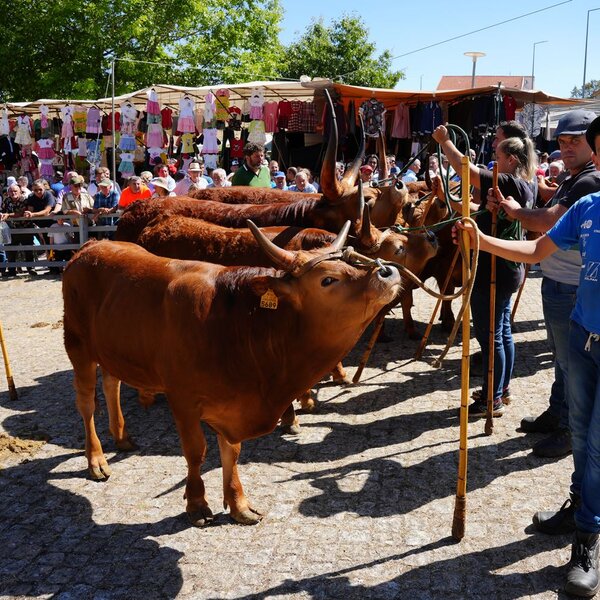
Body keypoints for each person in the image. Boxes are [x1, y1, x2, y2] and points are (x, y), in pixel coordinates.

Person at [454, 116, 600, 596]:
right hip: (582, 338)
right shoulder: (588, 206)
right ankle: (582, 513)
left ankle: (588, 538)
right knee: (579, 436)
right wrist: (481, 239)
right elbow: (537, 250)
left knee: (596, 444)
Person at [488, 110, 600, 457]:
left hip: (570, 285)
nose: (566, 147)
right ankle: (558, 415)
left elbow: (548, 220)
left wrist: (516, 212)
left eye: (575, 141)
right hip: (557, 281)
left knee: (570, 362)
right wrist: (515, 207)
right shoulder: (573, 178)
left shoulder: (588, 182)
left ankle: (568, 429)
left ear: (591, 146)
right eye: (562, 141)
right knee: (560, 359)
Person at [433, 124, 535, 417]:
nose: (494, 158)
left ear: (512, 160)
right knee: (500, 333)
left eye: (497, 155)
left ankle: (492, 398)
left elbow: (468, 172)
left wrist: (445, 142)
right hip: (506, 266)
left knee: (490, 336)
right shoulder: (522, 185)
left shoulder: (510, 182)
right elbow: (477, 208)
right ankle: (500, 391)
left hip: (495, 268)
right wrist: (450, 200)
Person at [0, 183, 28, 277]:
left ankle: (31, 269)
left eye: (15, 191)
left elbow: (21, 212)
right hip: (11, 229)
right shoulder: (6, 200)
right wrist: (2, 214)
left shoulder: (24, 199)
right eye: (11, 191)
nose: (13, 193)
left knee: (27, 249)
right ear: (8, 193)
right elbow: (3, 210)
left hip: (25, 227)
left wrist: (8, 215)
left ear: (20, 192)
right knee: (10, 250)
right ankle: (12, 270)